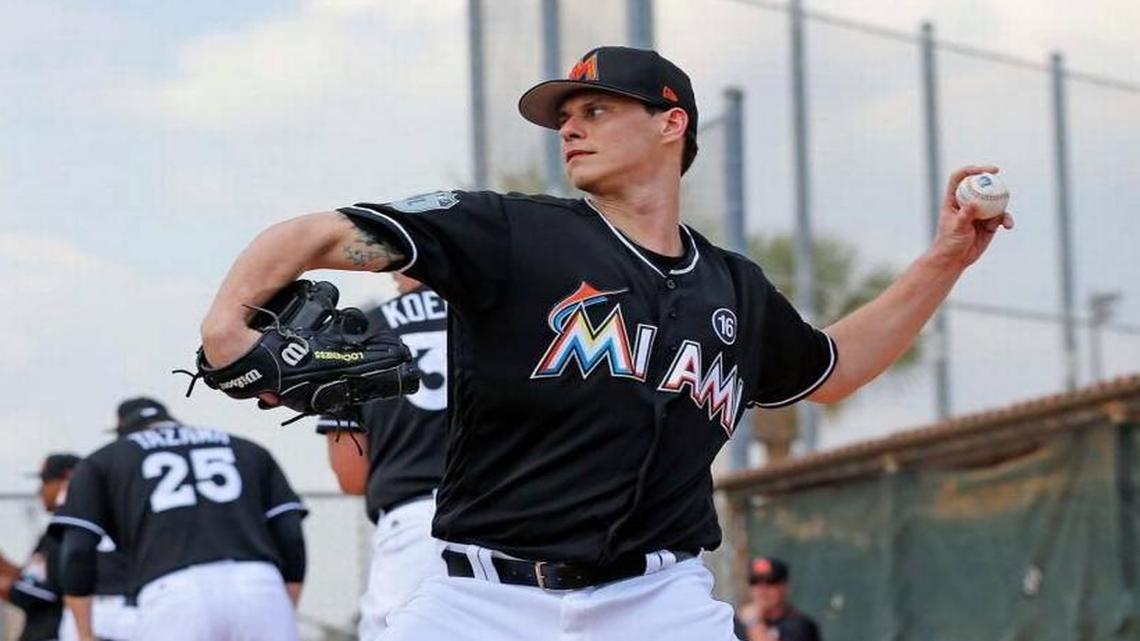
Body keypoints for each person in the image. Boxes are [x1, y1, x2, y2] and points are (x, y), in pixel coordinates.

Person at [199, 45, 1013, 640]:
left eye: (596, 110)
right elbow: (320, 232)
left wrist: (945, 258)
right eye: (565, 116)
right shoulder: (511, 232)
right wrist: (227, 323)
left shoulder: (733, 287)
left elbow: (833, 369)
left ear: (671, 124)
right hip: (482, 602)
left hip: (659, 603)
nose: (571, 128)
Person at [52, 397, 308, 641]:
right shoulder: (248, 449)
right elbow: (292, 538)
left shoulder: (104, 460)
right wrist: (284, 607)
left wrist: (84, 632)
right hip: (260, 584)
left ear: (122, 429)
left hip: (174, 592)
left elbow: (77, 552)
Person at [317, 273, 448, 638]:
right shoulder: (505, 314)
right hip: (511, 522)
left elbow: (352, 476)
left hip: (414, 526)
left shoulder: (360, 331)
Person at [0, 453, 80, 641]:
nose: (40, 490)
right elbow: (31, 579)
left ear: (66, 479)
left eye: (45, 481)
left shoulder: (70, 529)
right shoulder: (62, 528)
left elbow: (34, 594)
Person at [738, 557, 820, 641]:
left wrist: (754, 622)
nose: (762, 590)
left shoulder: (800, 626)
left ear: (785, 587)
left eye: (770, 581)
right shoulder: (736, 623)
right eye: (754, 581)